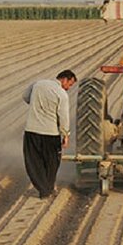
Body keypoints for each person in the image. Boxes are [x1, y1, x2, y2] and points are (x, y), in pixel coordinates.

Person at [21, 69, 77, 198]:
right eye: (70, 84)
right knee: (52, 162)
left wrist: (36, 104)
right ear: (64, 79)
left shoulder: (38, 84)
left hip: (32, 131)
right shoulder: (61, 94)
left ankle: (43, 188)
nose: (69, 88)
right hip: (50, 133)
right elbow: (63, 117)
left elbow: (25, 97)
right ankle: (47, 188)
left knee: (34, 161)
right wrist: (66, 135)